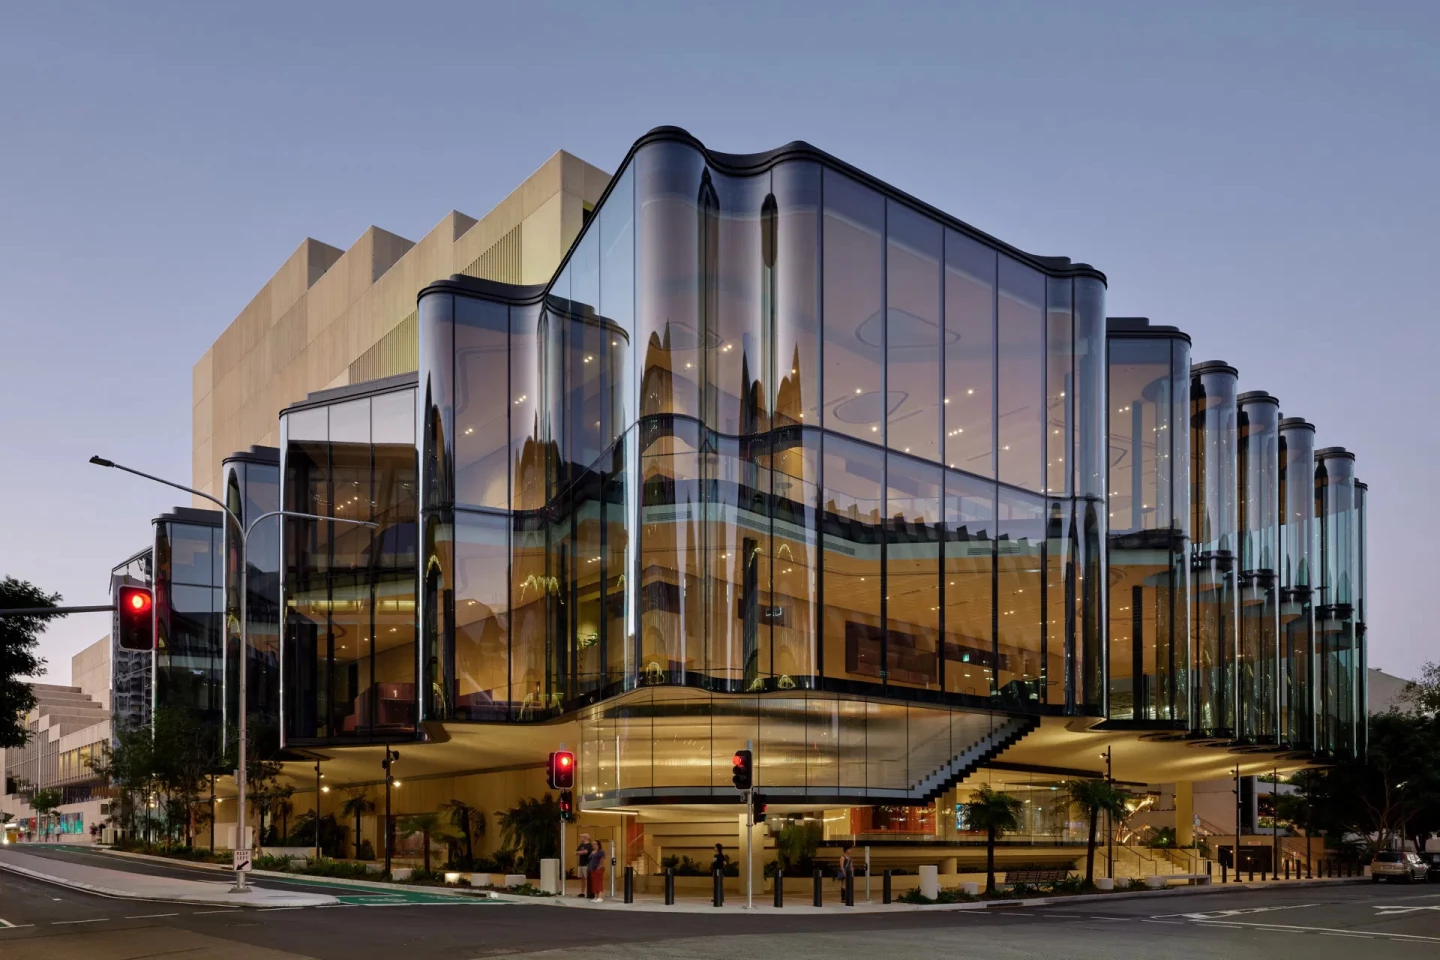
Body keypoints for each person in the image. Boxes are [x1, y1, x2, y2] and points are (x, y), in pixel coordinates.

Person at [575, 833, 594, 898]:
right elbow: (576, 852)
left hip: (586, 864)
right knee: (582, 878)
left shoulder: (589, 845)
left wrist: (580, 852)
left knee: (587, 878)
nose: (581, 838)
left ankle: (590, 892)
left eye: (582, 837)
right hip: (581, 863)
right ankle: (582, 892)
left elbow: (586, 852)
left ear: (585, 838)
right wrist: (581, 852)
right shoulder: (581, 845)